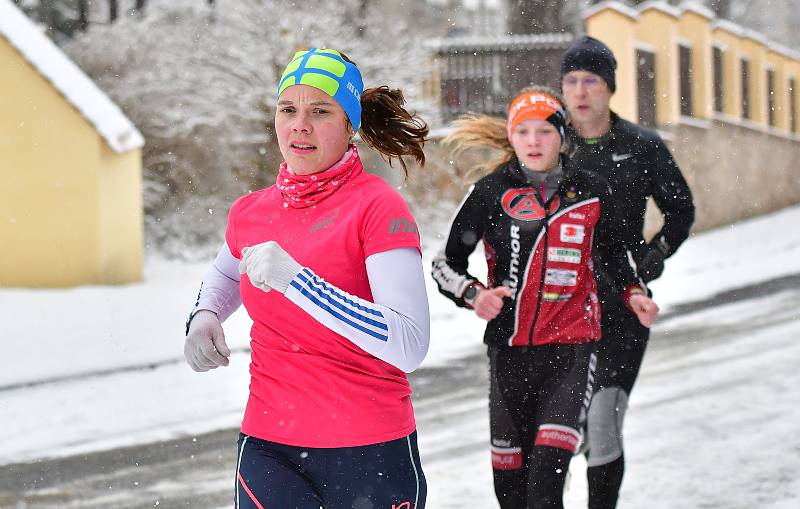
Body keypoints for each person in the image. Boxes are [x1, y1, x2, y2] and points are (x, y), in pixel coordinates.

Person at [183, 47, 430, 509]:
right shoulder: (252, 212)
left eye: (320, 111)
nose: (300, 125)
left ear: (350, 124)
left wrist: (301, 283)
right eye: (288, 109)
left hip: (369, 453)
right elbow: (224, 275)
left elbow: (410, 343)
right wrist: (204, 315)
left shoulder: (378, 209)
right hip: (270, 449)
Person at [431, 86, 659, 509]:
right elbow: (445, 264)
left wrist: (633, 294)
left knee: (544, 487)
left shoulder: (591, 190)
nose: (534, 142)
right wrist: (474, 295)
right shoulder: (490, 192)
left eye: (544, 132)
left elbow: (612, 254)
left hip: (572, 353)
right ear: (512, 137)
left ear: (562, 135)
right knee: (512, 495)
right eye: (524, 132)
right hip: (508, 355)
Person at [560, 36, 696, 509]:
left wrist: (650, 259)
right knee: (555, 432)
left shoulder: (642, 147)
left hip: (621, 307)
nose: (581, 92)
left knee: (603, 422)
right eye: (572, 81)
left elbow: (680, 212)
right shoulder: (548, 146)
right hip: (560, 310)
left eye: (591, 81)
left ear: (609, 88)